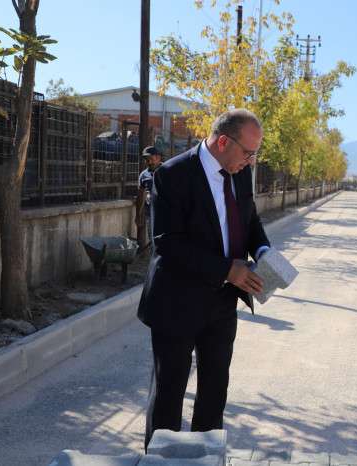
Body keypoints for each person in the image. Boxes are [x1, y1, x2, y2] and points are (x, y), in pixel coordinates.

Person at [137, 109, 271, 449]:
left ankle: (205, 457)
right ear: (223, 141)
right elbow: (168, 243)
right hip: (176, 300)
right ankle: (160, 459)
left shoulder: (240, 172)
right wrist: (227, 269)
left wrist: (264, 251)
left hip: (222, 302)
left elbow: (250, 220)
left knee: (214, 392)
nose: (251, 161)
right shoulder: (173, 174)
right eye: (248, 152)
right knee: (169, 395)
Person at [138, 145, 164, 250]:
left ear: (158, 158)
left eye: (151, 159)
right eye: (146, 160)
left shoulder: (168, 171)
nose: (149, 162)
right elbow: (141, 195)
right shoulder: (144, 175)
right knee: (153, 243)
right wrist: (139, 214)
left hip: (166, 214)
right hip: (150, 215)